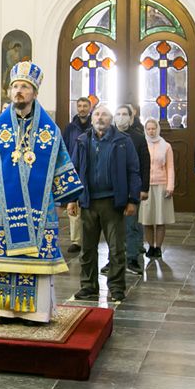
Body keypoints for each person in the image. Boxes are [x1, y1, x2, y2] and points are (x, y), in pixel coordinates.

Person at [0, 62, 82, 322]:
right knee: (5, 260)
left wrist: (66, 199)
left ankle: (36, 313)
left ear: (35, 93)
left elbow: (61, 164)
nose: (19, 91)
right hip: (2, 206)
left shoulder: (50, 130)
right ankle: (3, 310)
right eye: (15, 86)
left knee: (37, 261)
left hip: (40, 209)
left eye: (24, 87)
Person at [71, 104, 141, 304]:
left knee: (117, 248)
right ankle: (88, 286)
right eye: (97, 114)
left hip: (113, 202)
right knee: (87, 248)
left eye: (104, 115)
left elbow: (133, 171)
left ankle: (116, 287)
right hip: (88, 201)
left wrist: (132, 200)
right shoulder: (82, 140)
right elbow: (74, 170)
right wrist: (71, 199)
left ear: (111, 120)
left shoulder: (123, 141)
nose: (100, 118)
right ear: (92, 119)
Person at [113, 105, 149, 275]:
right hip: (112, 189)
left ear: (131, 117)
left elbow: (145, 164)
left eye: (124, 114)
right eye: (118, 114)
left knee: (131, 225)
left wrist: (144, 188)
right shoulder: (108, 135)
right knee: (113, 228)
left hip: (131, 189)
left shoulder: (138, 138)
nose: (121, 117)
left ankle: (132, 258)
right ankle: (113, 260)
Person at [62, 97, 94, 255]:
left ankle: (90, 238)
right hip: (73, 170)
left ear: (90, 108)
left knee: (90, 207)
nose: (82, 108)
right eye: (79, 106)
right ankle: (76, 241)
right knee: (73, 205)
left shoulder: (94, 125)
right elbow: (64, 148)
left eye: (85, 106)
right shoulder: (70, 128)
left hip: (91, 170)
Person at [141, 119, 175, 260]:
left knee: (160, 219)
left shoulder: (166, 146)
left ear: (158, 129)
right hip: (146, 186)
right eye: (148, 129)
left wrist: (170, 186)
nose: (151, 131)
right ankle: (150, 246)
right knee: (147, 219)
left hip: (162, 185)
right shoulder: (142, 144)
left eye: (153, 128)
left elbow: (170, 167)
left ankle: (159, 247)